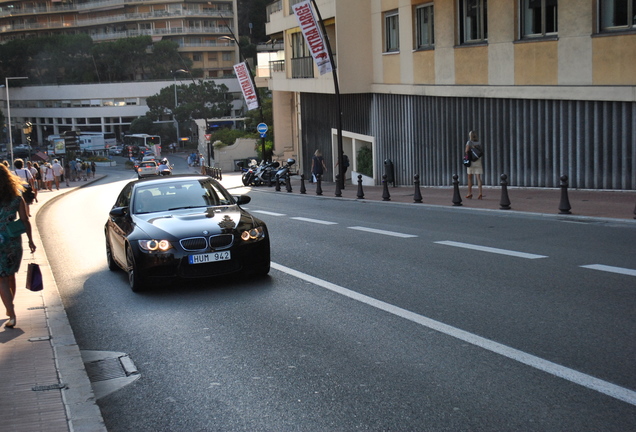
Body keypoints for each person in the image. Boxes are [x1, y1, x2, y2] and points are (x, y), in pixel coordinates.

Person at [0, 163, 37, 329]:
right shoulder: (16, 197)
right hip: (13, 241)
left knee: (1, 279)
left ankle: (11, 313)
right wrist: (30, 240)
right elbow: (25, 220)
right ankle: (10, 308)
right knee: (11, 275)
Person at [465, 130, 484, 199]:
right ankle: (480, 193)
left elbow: (466, 151)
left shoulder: (469, 142)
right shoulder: (478, 142)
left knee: (469, 177)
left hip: (471, 161)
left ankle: (469, 193)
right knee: (478, 178)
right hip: (478, 161)